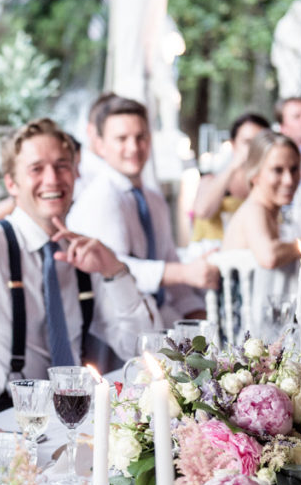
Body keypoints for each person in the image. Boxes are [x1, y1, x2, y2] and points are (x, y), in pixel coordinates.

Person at [0, 117, 158, 413]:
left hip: (72, 417)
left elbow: (141, 349)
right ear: (11, 183)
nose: (53, 179)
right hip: (1, 419)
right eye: (36, 169)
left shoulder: (86, 255)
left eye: (61, 166)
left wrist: (115, 271)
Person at [68, 94, 218, 326]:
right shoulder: (100, 198)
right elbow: (114, 268)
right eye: (122, 139)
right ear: (100, 145)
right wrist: (184, 272)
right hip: (114, 329)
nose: (133, 147)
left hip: (159, 319)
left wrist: (199, 320)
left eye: (141, 137)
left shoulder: (154, 199)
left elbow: (172, 266)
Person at [221, 131, 301, 337]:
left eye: (294, 169)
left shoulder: (271, 213)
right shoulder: (254, 209)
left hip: (264, 332)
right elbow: (269, 256)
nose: (289, 180)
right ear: (254, 173)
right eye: (277, 170)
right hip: (245, 339)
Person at [190, 113, 270, 242]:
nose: (254, 149)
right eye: (247, 142)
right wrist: (234, 166)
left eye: (259, 143)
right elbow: (202, 211)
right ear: (233, 144)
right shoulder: (210, 179)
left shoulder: (266, 185)